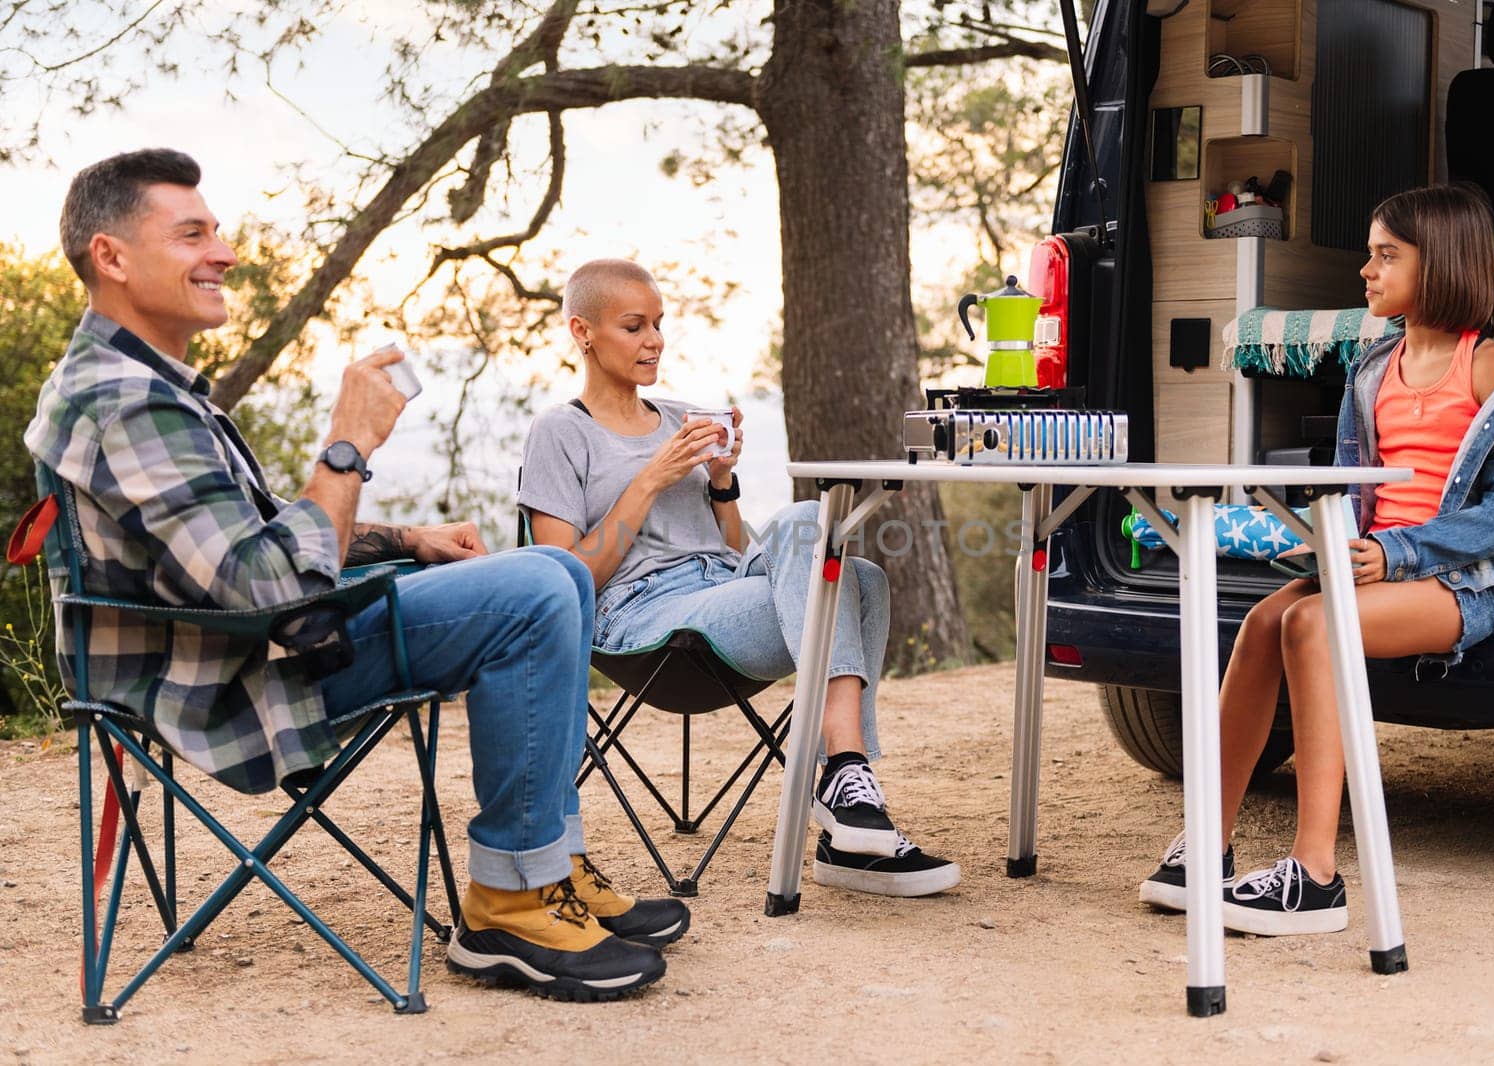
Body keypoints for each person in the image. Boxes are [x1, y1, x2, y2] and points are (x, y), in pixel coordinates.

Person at [25, 149, 688, 1002]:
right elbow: (269, 586)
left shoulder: (143, 384)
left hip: (249, 645)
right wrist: (349, 447)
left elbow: (253, 538)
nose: (224, 252)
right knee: (531, 592)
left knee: (553, 567)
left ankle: (546, 864)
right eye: (192, 233)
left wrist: (405, 536)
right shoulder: (128, 402)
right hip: (228, 677)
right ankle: (508, 907)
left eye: (217, 230)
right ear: (111, 257)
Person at [1139, 184, 1494, 935]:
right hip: (1365, 562)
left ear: (1445, 264)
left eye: (1386, 256)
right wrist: (1318, 536)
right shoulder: (1371, 370)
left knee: (1309, 628)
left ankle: (1317, 876)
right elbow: (1347, 482)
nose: (1367, 271)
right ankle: (1206, 846)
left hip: (1455, 582)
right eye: (1370, 255)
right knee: (1265, 621)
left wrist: (1396, 552)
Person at [520, 259, 960, 897]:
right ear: (582, 331)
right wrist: (650, 481)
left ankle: (846, 788)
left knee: (839, 549)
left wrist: (721, 480)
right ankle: (846, 791)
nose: (654, 341)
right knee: (853, 579)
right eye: (634, 326)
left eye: (659, 325)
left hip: (724, 586)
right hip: (646, 619)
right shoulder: (561, 432)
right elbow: (565, 581)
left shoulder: (680, 418)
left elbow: (730, 548)